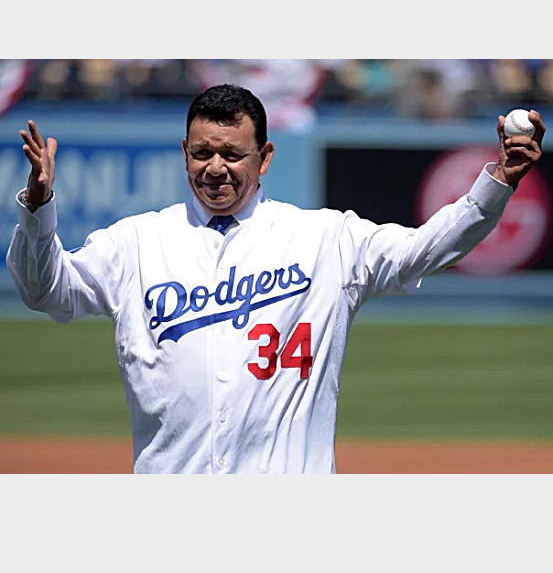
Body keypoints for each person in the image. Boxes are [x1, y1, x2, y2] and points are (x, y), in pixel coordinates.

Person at [6, 84, 545, 474]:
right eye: (202, 153)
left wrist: (496, 182)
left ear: (264, 158)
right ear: (184, 153)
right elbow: (46, 290)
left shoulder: (325, 238)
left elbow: (425, 249)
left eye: (232, 153)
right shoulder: (137, 242)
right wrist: (37, 208)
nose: (215, 167)